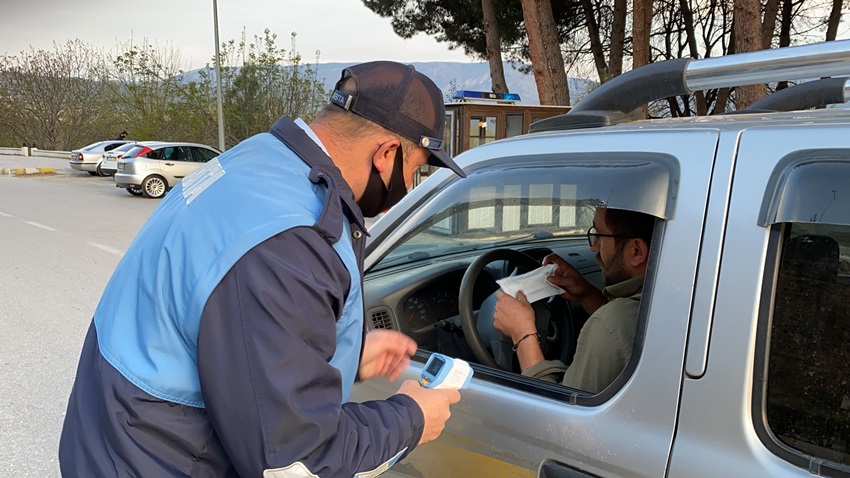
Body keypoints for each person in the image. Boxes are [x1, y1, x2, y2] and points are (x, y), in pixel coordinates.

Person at [60, 61, 466, 477]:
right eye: (415, 169)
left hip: (112, 437)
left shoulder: (259, 159)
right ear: (386, 155)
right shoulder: (292, 240)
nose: (408, 182)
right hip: (162, 460)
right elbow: (295, 459)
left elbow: (230, 323)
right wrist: (411, 418)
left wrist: (346, 354)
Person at [493, 207, 655, 394]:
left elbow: (558, 414)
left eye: (599, 235)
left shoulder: (612, 320)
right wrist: (587, 295)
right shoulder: (662, 296)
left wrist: (522, 334)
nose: (593, 247)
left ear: (636, 251)